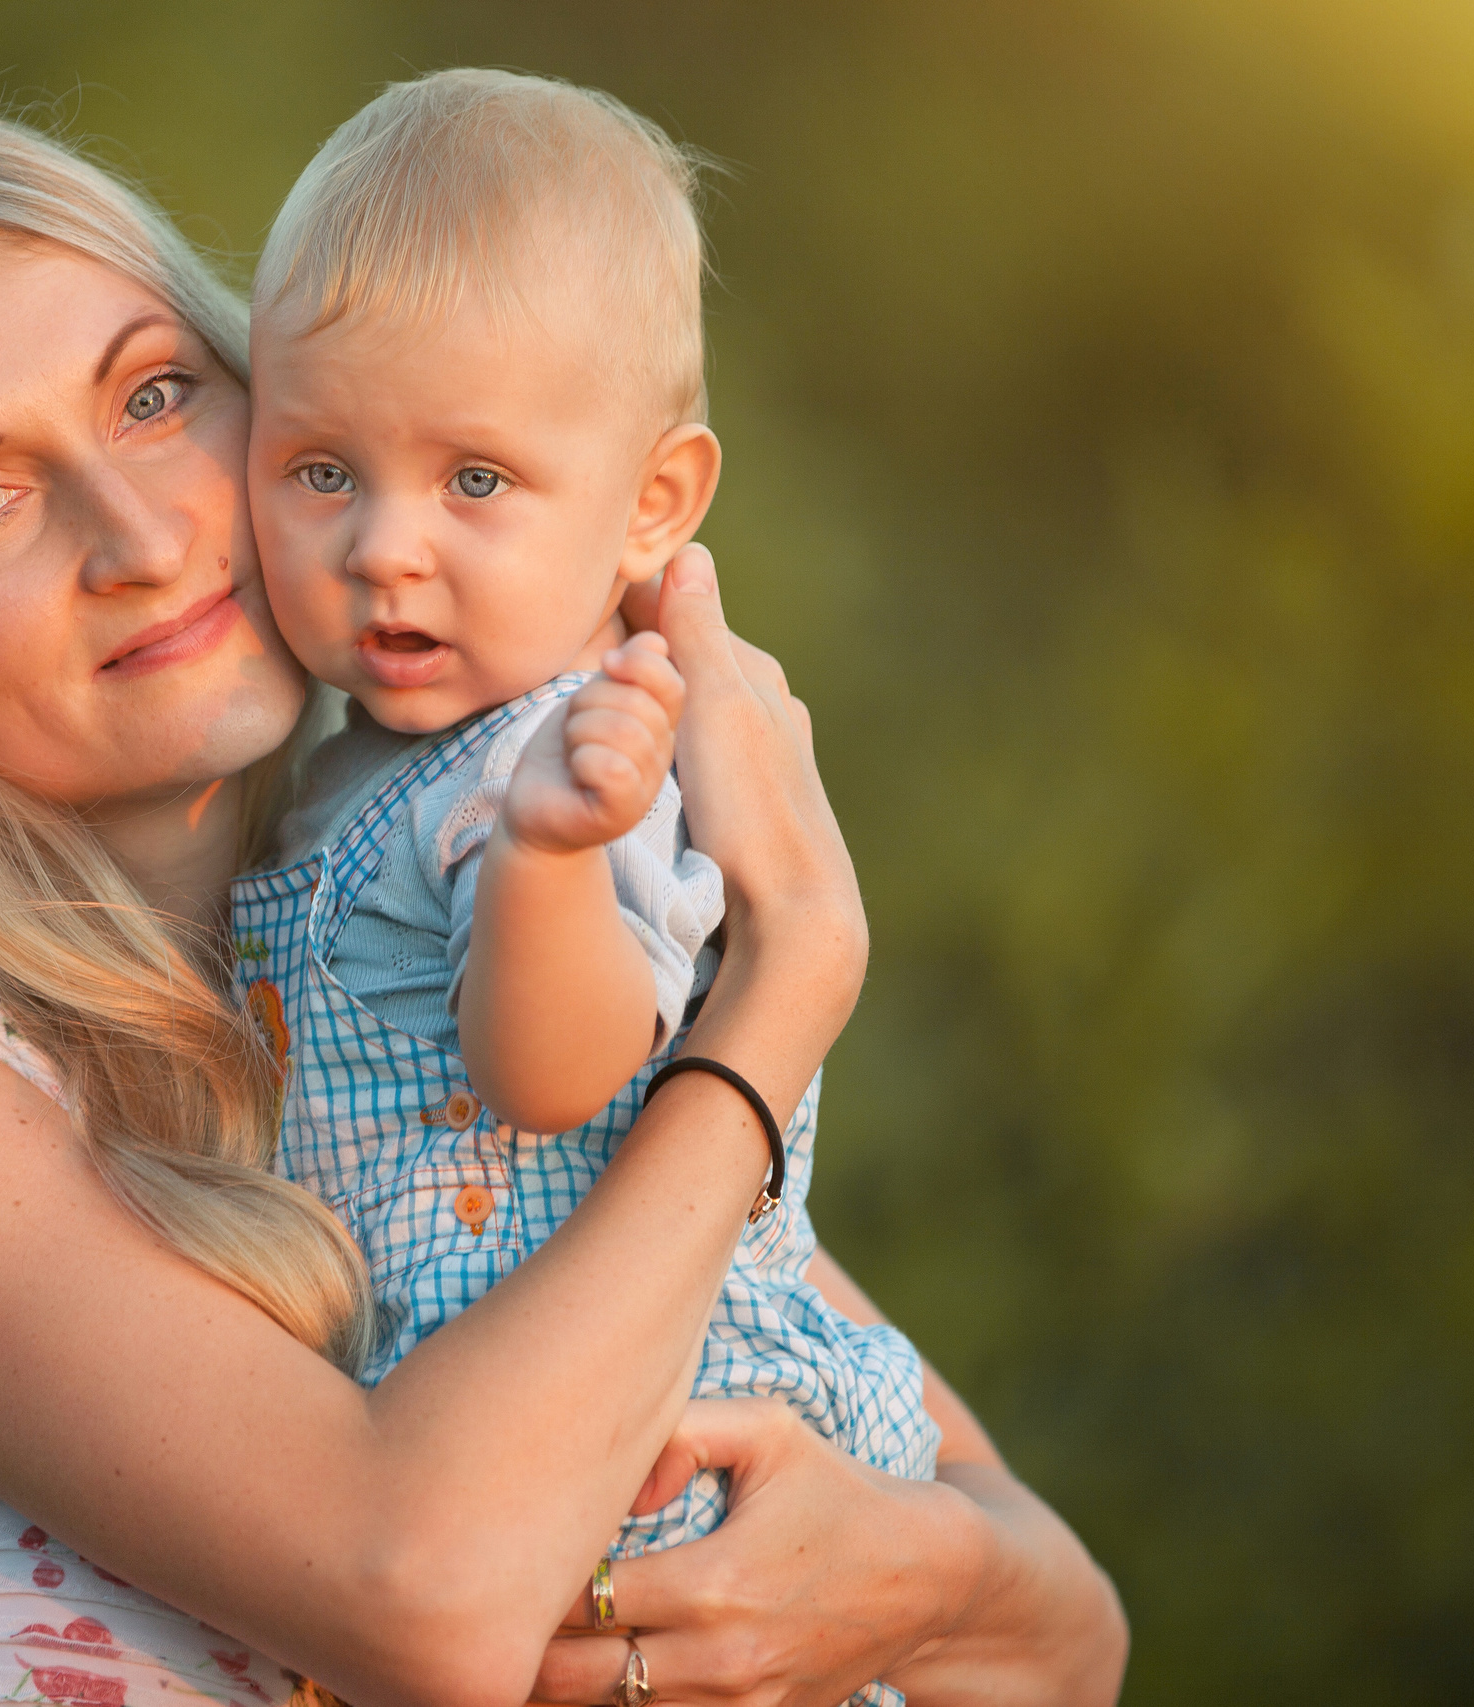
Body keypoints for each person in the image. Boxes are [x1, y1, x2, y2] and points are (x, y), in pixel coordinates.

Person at [0, 97, 1127, 1707]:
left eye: (156, 394)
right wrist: (788, 981)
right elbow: (429, 1591)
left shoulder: (369, 962)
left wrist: (904, 1579)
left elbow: (1071, 1632)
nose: (138, 535)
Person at [235, 80, 939, 1676]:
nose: (385, 547)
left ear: (651, 507)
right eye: (323, 469)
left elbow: (558, 1071)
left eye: (475, 481)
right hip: (483, 1443)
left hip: (649, 1467)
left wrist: (549, 857)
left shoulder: (566, 761)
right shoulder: (356, 766)